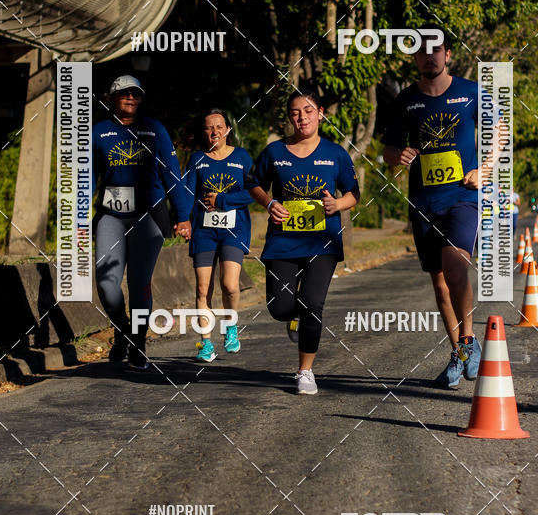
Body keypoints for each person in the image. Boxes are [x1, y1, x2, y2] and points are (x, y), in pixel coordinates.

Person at [382, 33, 491, 389]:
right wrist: (398, 157)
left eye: (436, 51)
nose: (430, 57)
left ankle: (469, 342)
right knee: (440, 285)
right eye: (422, 52)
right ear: (414, 58)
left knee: (456, 268)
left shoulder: (470, 91)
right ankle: (459, 354)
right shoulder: (406, 100)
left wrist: (484, 170)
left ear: (448, 54)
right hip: (423, 202)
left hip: (462, 197)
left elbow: (500, 131)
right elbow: (389, 150)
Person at [248, 88, 360, 395]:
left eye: (308, 111)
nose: (302, 118)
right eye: (296, 112)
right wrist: (269, 203)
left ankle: (305, 371)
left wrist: (338, 205)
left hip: (322, 243)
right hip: (283, 242)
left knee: (313, 304)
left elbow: (354, 193)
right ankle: (293, 318)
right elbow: (253, 184)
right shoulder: (274, 152)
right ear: (289, 118)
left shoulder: (335, 153)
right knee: (280, 307)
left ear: (320, 113)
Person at [93, 75, 190, 369]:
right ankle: (123, 330)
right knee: (107, 284)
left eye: (136, 94)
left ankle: (138, 341)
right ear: (111, 98)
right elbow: (83, 179)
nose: (131, 98)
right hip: (111, 215)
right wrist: (76, 218)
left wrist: (184, 216)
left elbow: (172, 174)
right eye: (124, 94)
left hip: (148, 215)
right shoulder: (98, 132)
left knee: (138, 283)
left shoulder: (154, 130)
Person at [181, 109, 254, 361]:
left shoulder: (242, 157)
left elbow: (255, 193)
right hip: (204, 231)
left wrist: (223, 199)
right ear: (204, 132)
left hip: (234, 229)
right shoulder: (197, 159)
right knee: (203, 288)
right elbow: (187, 194)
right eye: (209, 127)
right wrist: (183, 221)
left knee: (230, 285)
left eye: (219, 126)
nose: (215, 132)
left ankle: (231, 327)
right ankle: (205, 344)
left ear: (228, 130)